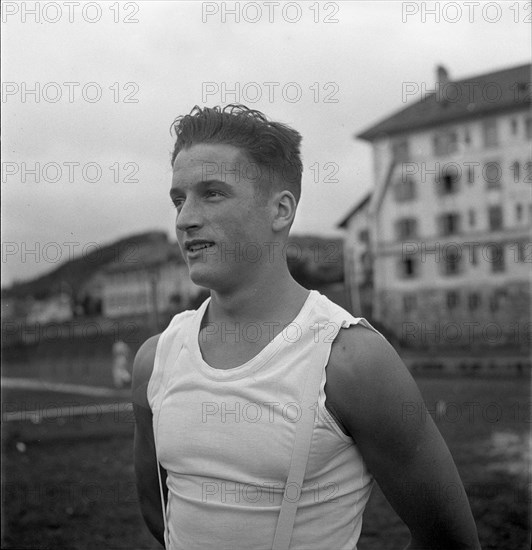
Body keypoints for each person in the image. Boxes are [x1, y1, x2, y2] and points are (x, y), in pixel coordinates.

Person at [132, 104, 481, 550]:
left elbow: (450, 541)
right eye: (179, 199)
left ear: (280, 211)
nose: (185, 219)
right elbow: (156, 513)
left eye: (212, 193)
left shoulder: (352, 362)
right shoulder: (155, 360)